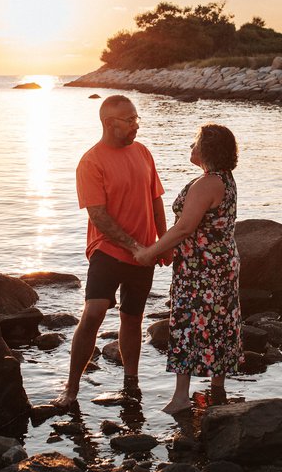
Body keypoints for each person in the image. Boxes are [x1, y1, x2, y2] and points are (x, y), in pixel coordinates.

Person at [52, 95, 168, 408]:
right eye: (129, 120)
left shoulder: (142, 152)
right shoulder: (91, 162)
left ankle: (131, 384)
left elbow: (155, 199)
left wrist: (163, 242)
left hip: (145, 253)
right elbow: (98, 215)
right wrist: (134, 247)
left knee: (132, 318)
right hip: (107, 250)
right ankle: (71, 388)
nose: (136, 125)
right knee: (93, 313)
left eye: (136, 118)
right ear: (108, 123)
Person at [134, 124, 242, 414]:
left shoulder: (208, 183)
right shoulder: (223, 179)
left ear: (208, 149)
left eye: (195, 143)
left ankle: (181, 397)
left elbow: (184, 227)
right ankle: (217, 389)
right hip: (219, 263)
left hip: (202, 268)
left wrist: (150, 252)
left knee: (187, 323)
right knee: (220, 322)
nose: (191, 147)